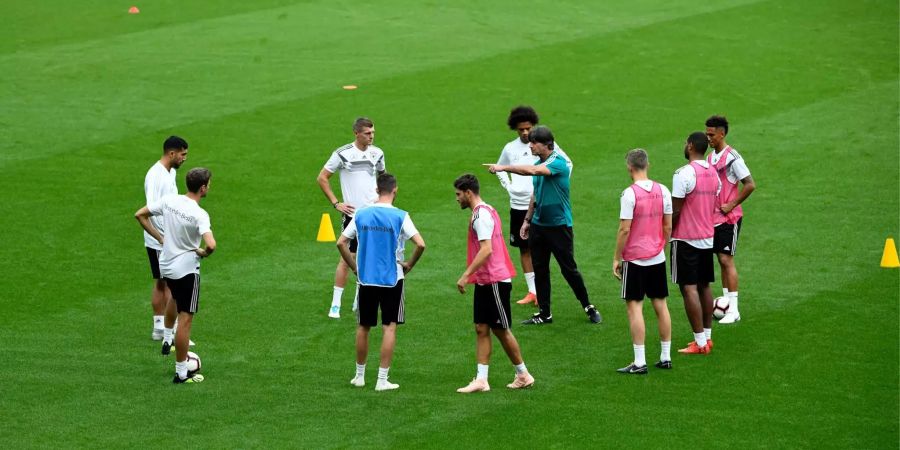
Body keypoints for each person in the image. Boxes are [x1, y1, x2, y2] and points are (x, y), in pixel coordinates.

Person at [486, 126, 601, 325]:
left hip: (559, 226)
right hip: (539, 225)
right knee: (540, 269)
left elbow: (531, 171)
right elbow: (535, 194)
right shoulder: (540, 161)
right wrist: (528, 220)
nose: (530, 145)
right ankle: (544, 313)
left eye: (534, 143)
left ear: (546, 144)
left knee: (569, 269)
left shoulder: (558, 163)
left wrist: (503, 167)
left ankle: (588, 306)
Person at [337, 173, 425, 391]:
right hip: (392, 278)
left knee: (363, 326)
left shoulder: (361, 214)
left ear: (377, 190)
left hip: (366, 278)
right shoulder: (401, 216)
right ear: (395, 190)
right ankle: (382, 380)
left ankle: (359, 376)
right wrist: (409, 265)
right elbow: (420, 244)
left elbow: (341, 243)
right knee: (389, 327)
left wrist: (355, 267)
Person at [453, 174, 535, 392]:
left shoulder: (481, 216)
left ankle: (523, 374)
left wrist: (465, 275)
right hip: (485, 280)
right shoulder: (485, 210)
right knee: (481, 328)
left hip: (495, 280)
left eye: (459, 194)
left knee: (501, 329)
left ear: (468, 193)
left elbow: (487, 249)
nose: (457, 199)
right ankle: (481, 379)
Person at [135, 168, 216, 383]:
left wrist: (160, 238)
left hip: (167, 264)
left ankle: (167, 338)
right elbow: (211, 244)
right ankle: (181, 371)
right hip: (186, 269)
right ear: (203, 187)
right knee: (186, 318)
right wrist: (204, 253)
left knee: (174, 297)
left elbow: (140, 214)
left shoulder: (170, 200)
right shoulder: (200, 214)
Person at [494, 106, 572, 307]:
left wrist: (556, 186)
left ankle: (543, 292)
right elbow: (500, 168)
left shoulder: (543, 144)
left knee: (543, 251)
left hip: (540, 204)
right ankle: (533, 291)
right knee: (523, 248)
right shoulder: (510, 148)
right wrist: (509, 187)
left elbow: (567, 164)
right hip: (518, 205)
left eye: (528, 128)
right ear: (515, 129)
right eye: (521, 129)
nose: (525, 133)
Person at [317, 117, 385, 319]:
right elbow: (322, 177)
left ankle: (358, 297)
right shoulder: (342, 154)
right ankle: (336, 304)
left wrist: (383, 200)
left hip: (374, 214)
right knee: (347, 259)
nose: (371, 136)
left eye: (373, 132)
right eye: (367, 133)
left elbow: (384, 178)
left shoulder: (378, 153)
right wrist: (336, 203)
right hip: (353, 216)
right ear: (356, 133)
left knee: (369, 258)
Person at [612, 149, 673, 374]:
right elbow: (668, 226)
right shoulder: (663, 190)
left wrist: (616, 258)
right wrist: (660, 246)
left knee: (634, 307)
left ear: (629, 167)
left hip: (635, 259)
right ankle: (665, 357)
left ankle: (639, 362)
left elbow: (624, 229)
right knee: (661, 305)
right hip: (657, 257)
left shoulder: (629, 194)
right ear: (648, 164)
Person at [671, 133, 720, 354]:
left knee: (688, 287)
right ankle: (707, 339)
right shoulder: (713, 173)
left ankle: (699, 343)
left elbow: (677, 209)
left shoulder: (684, 174)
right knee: (704, 286)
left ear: (690, 146)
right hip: (707, 237)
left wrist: (664, 233)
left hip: (685, 238)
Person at [705, 115, 756, 324]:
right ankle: (726, 301)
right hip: (714, 219)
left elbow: (750, 184)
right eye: (707, 134)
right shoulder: (710, 158)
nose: (708, 138)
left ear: (722, 133)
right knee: (720, 260)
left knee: (727, 260)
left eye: (711, 134)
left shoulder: (733, 158)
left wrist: (732, 204)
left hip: (729, 218)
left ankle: (734, 310)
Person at [144, 136, 187, 341]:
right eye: (182, 154)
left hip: (165, 237)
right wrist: (162, 237)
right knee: (170, 284)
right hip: (160, 238)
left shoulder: (170, 172)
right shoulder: (156, 176)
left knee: (162, 282)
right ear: (172, 153)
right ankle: (170, 330)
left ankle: (160, 328)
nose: (184, 158)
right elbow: (152, 209)